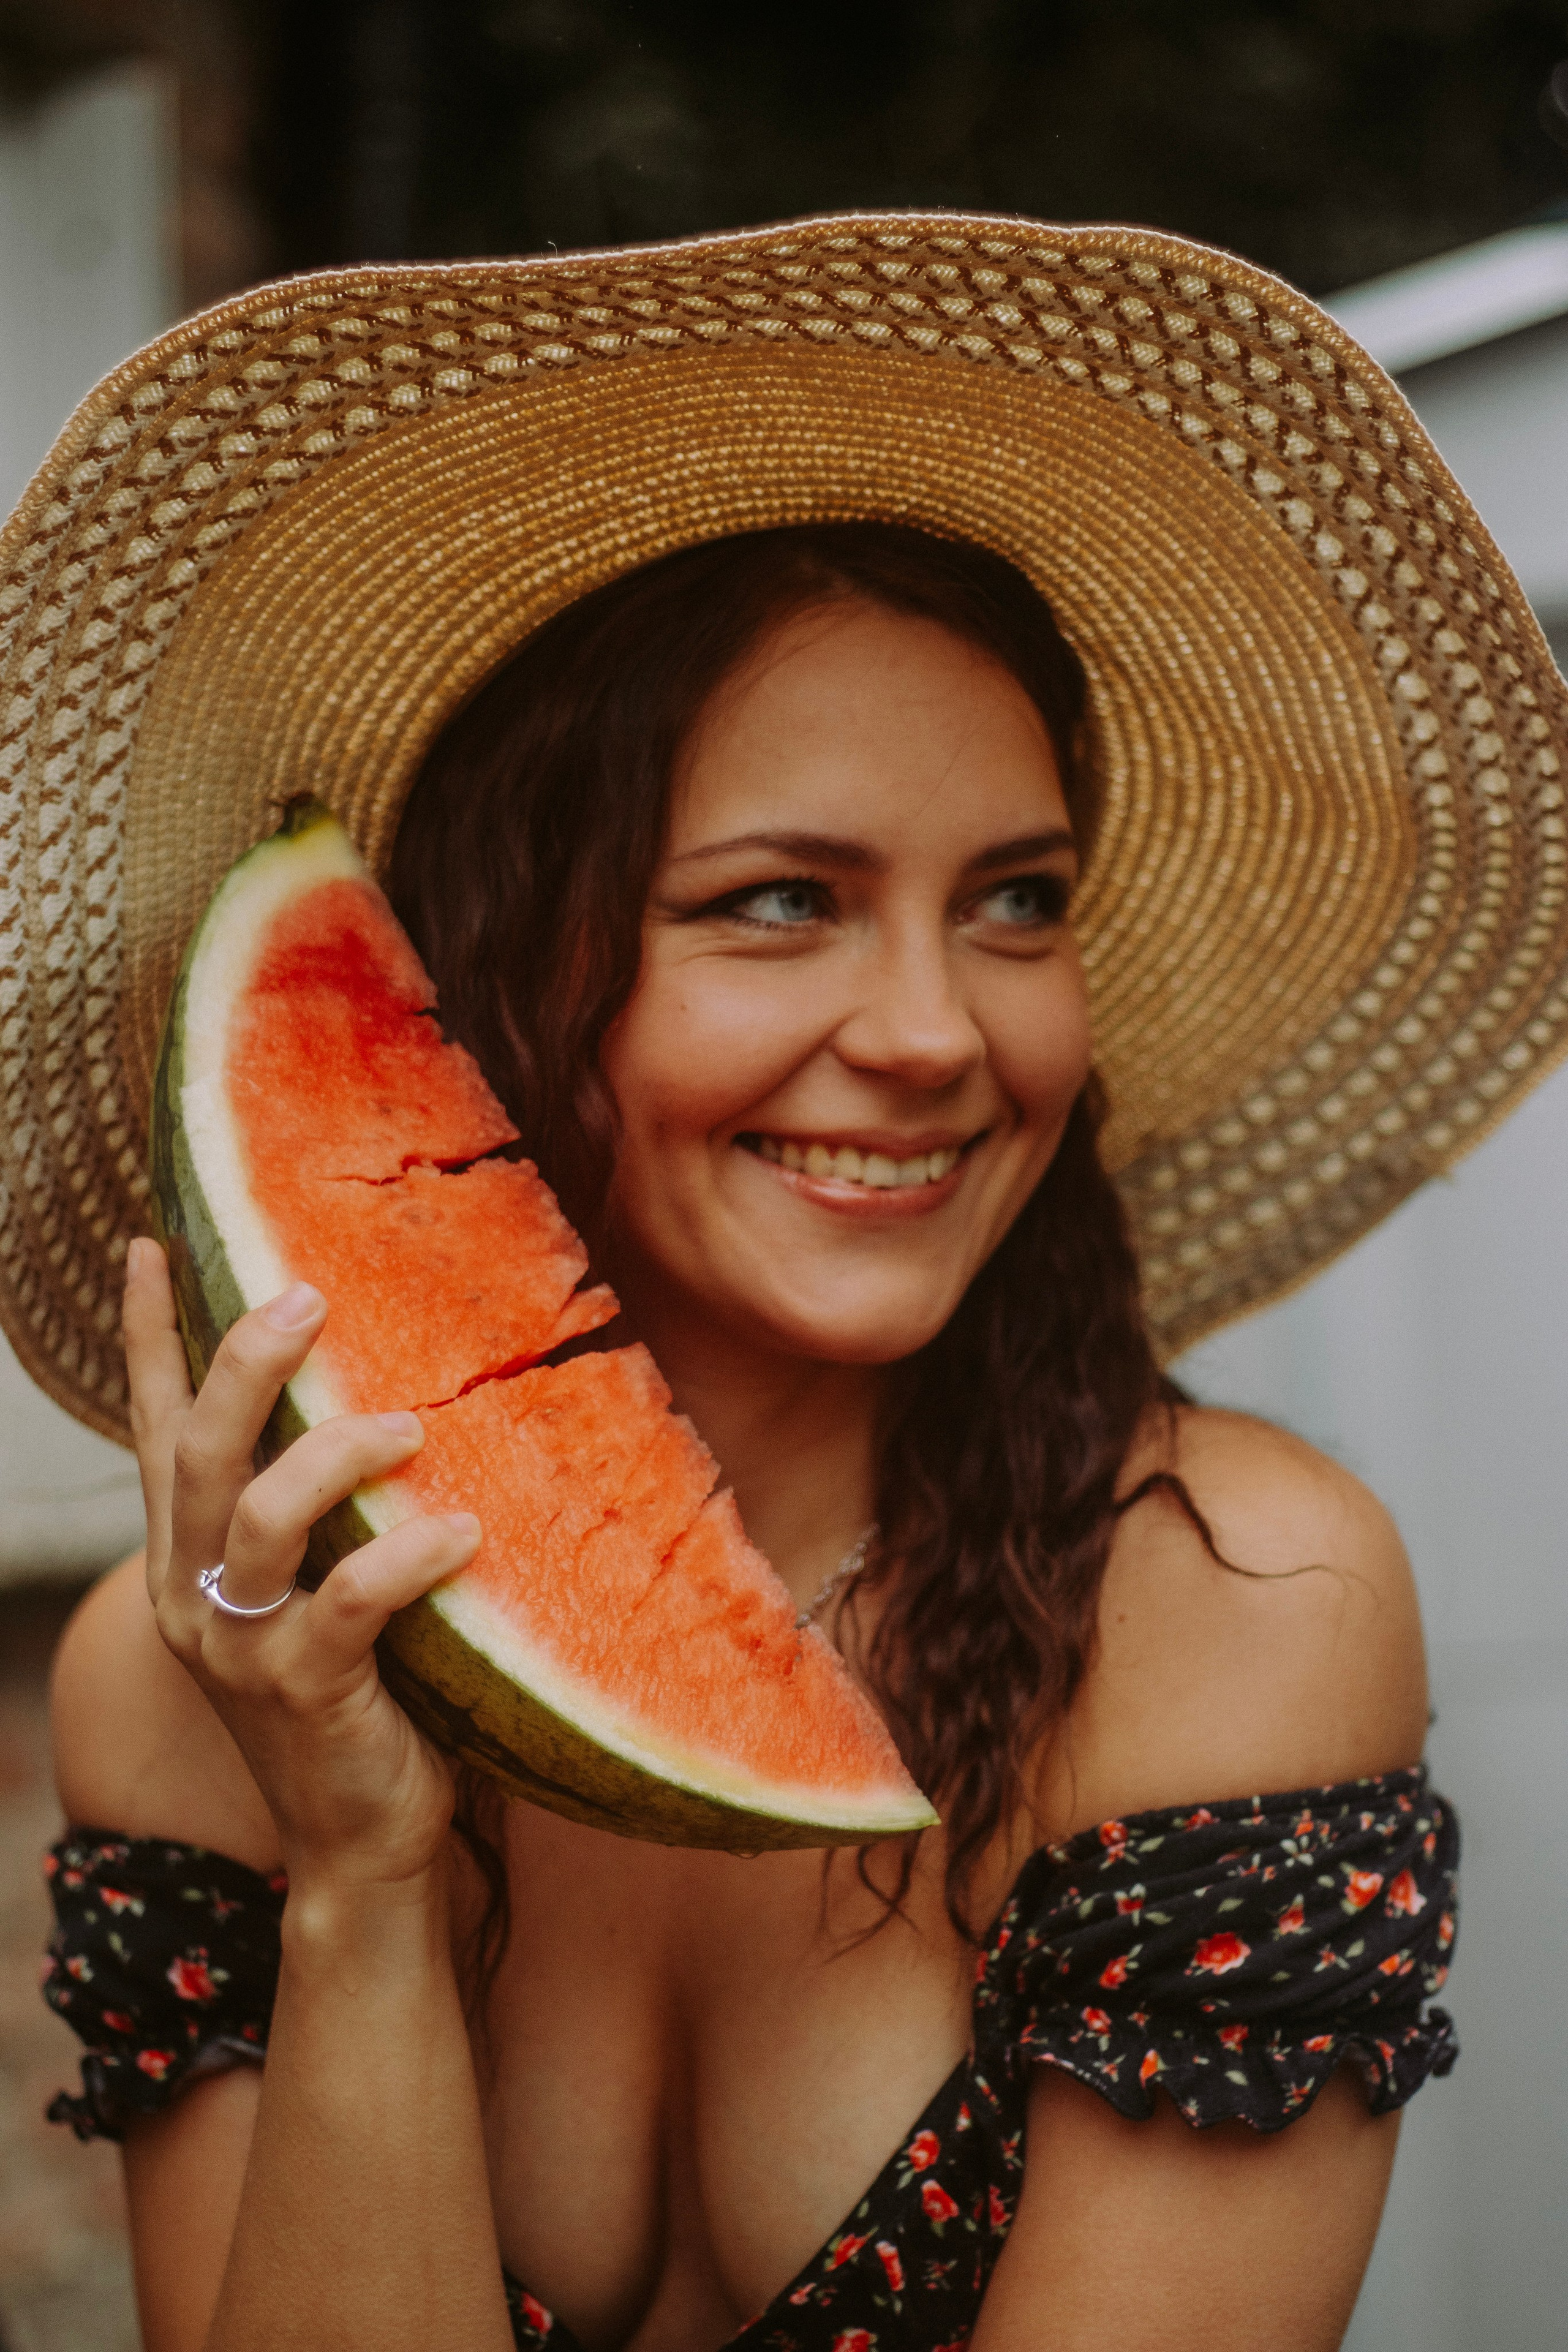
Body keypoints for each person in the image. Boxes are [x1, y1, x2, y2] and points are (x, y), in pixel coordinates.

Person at [12, 208, 1554, 2351]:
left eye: (1015, 900)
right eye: (778, 904)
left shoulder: (1226, 1610)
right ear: (467, 989)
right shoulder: (190, 1678)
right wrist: (363, 1889)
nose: (938, 1029)